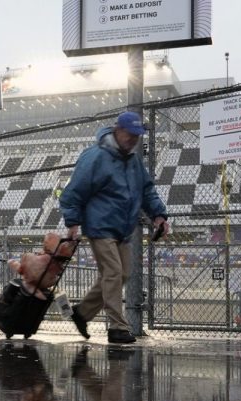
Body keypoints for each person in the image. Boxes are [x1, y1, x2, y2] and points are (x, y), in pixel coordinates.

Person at [59, 111, 170, 344]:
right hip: (99, 225)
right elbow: (74, 190)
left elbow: (147, 190)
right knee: (113, 272)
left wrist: (159, 215)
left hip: (122, 229)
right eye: (130, 134)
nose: (133, 140)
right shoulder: (96, 156)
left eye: (137, 136)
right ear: (117, 130)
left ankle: (82, 313)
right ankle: (117, 328)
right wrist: (73, 222)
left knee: (123, 273)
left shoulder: (133, 161)